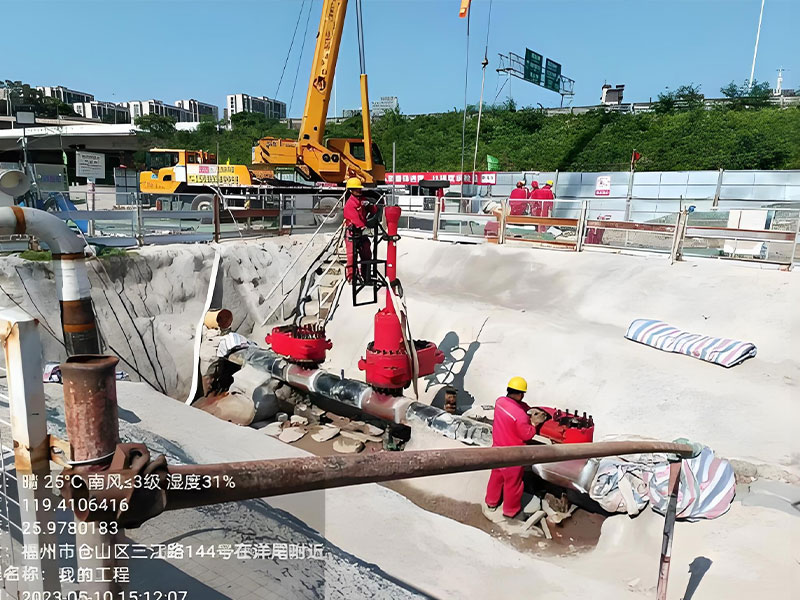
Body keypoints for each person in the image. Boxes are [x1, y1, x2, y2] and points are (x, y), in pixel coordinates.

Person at [484, 376, 549, 520]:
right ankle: (510, 511)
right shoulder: (520, 417)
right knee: (513, 484)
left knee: (496, 477)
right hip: (513, 455)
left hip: (497, 449)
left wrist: (530, 409)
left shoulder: (500, 402)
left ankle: (491, 502)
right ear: (521, 394)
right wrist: (534, 424)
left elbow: (518, 407)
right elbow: (526, 435)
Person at [343, 177, 377, 282]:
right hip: (352, 232)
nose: (359, 190)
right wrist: (363, 228)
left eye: (359, 189)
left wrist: (370, 206)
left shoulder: (362, 200)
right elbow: (355, 219)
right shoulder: (350, 204)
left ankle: (366, 276)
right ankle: (351, 277)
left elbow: (374, 211)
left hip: (361, 232)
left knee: (366, 252)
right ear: (351, 190)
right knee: (351, 255)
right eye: (356, 189)